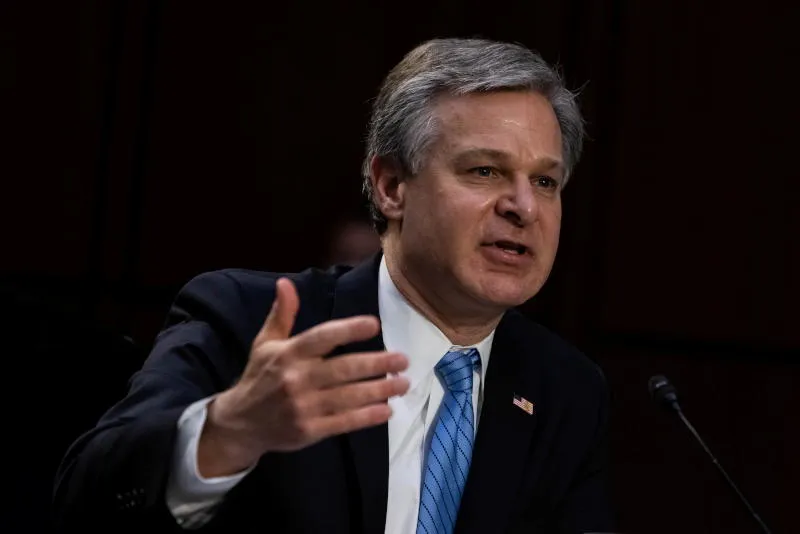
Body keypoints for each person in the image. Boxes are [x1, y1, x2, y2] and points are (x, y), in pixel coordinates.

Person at [53, 37, 615, 534]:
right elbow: (86, 501)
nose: (523, 207)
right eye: (484, 171)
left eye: (546, 181)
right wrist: (228, 432)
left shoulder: (565, 389)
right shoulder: (252, 320)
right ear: (391, 186)